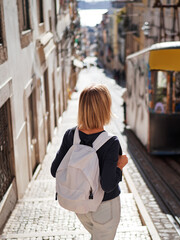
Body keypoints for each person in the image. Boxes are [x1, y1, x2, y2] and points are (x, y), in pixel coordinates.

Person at [51, 84, 128, 240]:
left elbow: (55, 170)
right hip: (105, 207)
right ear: (105, 108)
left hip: (80, 205)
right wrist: (119, 166)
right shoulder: (110, 142)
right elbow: (107, 184)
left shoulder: (71, 135)